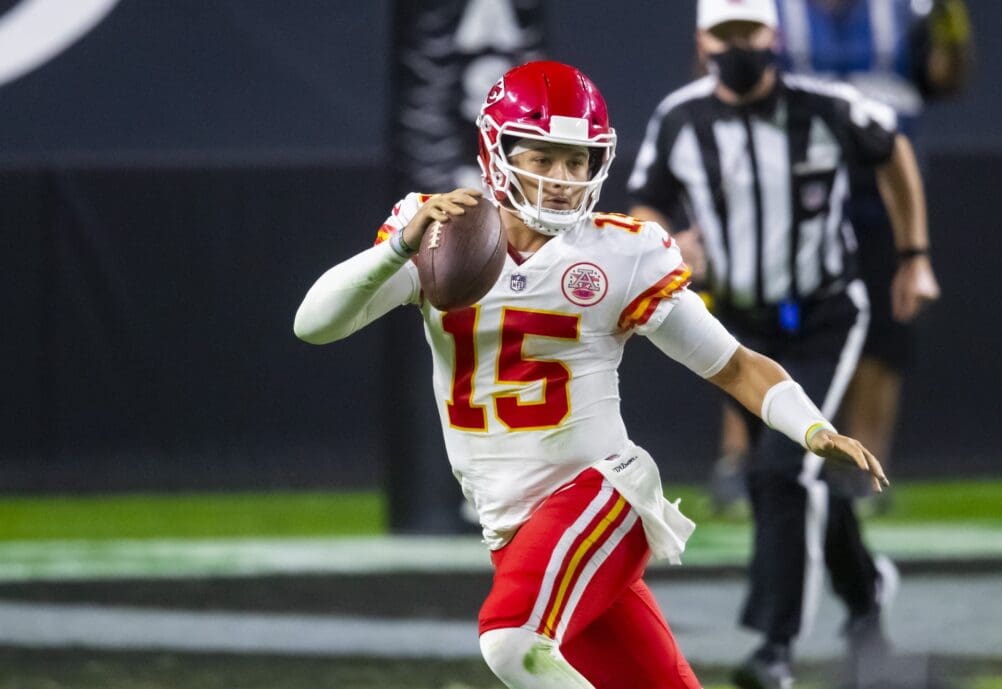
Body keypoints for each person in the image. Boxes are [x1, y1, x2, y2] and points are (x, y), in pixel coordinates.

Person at [295, 60, 887, 689]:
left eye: (577, 161)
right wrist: (400, 247)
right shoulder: (440, 233)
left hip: (603, 494)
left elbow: (733, 364)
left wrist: (813, 429)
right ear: (496, 151)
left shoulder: (621, 253)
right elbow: (315, 324)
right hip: (514, 521)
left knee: (513, 642)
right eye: (543, 157)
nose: (560, 179)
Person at [626, 1, 938, 687]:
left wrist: (913, 253)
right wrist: (668, 239)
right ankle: (866, 595)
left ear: (775, 35)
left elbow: (894, 152)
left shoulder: (829, 106)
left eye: (750, 32)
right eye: (725, 33)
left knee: (781, 468)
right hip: (738, 325)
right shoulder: (681, 116)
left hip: (825, 313)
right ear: (704, 39)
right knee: (795, 473)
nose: (739, 46)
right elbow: (646, 198)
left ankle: (774, 648)